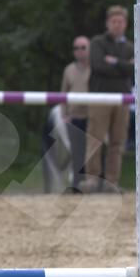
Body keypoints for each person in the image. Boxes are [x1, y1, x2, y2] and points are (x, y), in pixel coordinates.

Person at [83, 6, 134, 192]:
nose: (117, 25)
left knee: (117, 142)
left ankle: (112, 182)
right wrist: (123, 66)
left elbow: (133, 70)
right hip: (100, 97)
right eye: (114, 21)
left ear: (126, 24)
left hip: (123, 99)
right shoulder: (97, 42)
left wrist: (114, 62)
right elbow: (98, 66)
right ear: (107, 23)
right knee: (95, 138)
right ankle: (92, 180)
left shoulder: (130, 47)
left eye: (120, 22)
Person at [59, 35, 91, 187]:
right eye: (76, 48)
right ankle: (77, 185)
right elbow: (63, 93)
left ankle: (94, 184)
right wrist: (64, 114)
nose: (79, 51)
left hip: (92, 117)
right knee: (76, 152)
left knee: (93, 152)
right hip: (74, 117)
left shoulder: (96, 69)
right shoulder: (69, 70)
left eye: (83, 47)